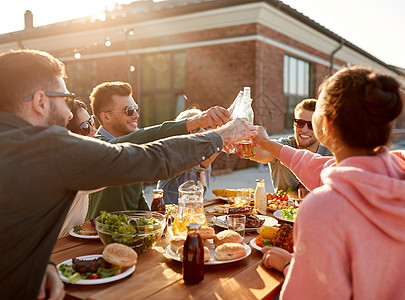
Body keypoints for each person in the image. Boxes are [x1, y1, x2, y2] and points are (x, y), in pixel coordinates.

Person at [0, 49, 257, 300]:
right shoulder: (46, 147)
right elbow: (148, 158)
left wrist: (40, 265)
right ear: (40, 101)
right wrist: (221, 136)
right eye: (63, 98)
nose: (68, 113)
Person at [253, 66, 405, 299]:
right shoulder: (400, 176)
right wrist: (266, 143)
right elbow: (318, 166)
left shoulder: (322, 207)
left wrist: (289, 267)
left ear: (326, 123)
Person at [86, 82, 230, 219]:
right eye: (129, 111)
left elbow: (137, 198)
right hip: (96, 237)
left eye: (136, 109)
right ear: (106, 117)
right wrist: (198, 120)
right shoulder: (98, 146)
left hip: (128, 234)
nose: (136, 115)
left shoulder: (131, 145)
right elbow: (140, 137)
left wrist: (154, 224)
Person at [248, 99, 331, 198]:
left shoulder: (330, 153)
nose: (304, 130)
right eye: (300, 123)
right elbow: (260, 154)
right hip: (280, 211)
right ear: (294, 124)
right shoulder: (280, 146)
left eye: (311, 125)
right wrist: (248, 143)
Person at [156, 108, 219, 204]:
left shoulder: (204, 151)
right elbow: (200, 162)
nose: (203, 132)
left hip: (191, 212)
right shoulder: (176, 153)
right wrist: (221, 142)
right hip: (169, 213)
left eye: (206, 127)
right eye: (196, 129)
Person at [58, 99, 101, 238]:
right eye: (85, 127)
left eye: (92, 122)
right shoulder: (70, 170)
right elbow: (121, 169)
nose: (94, 130)